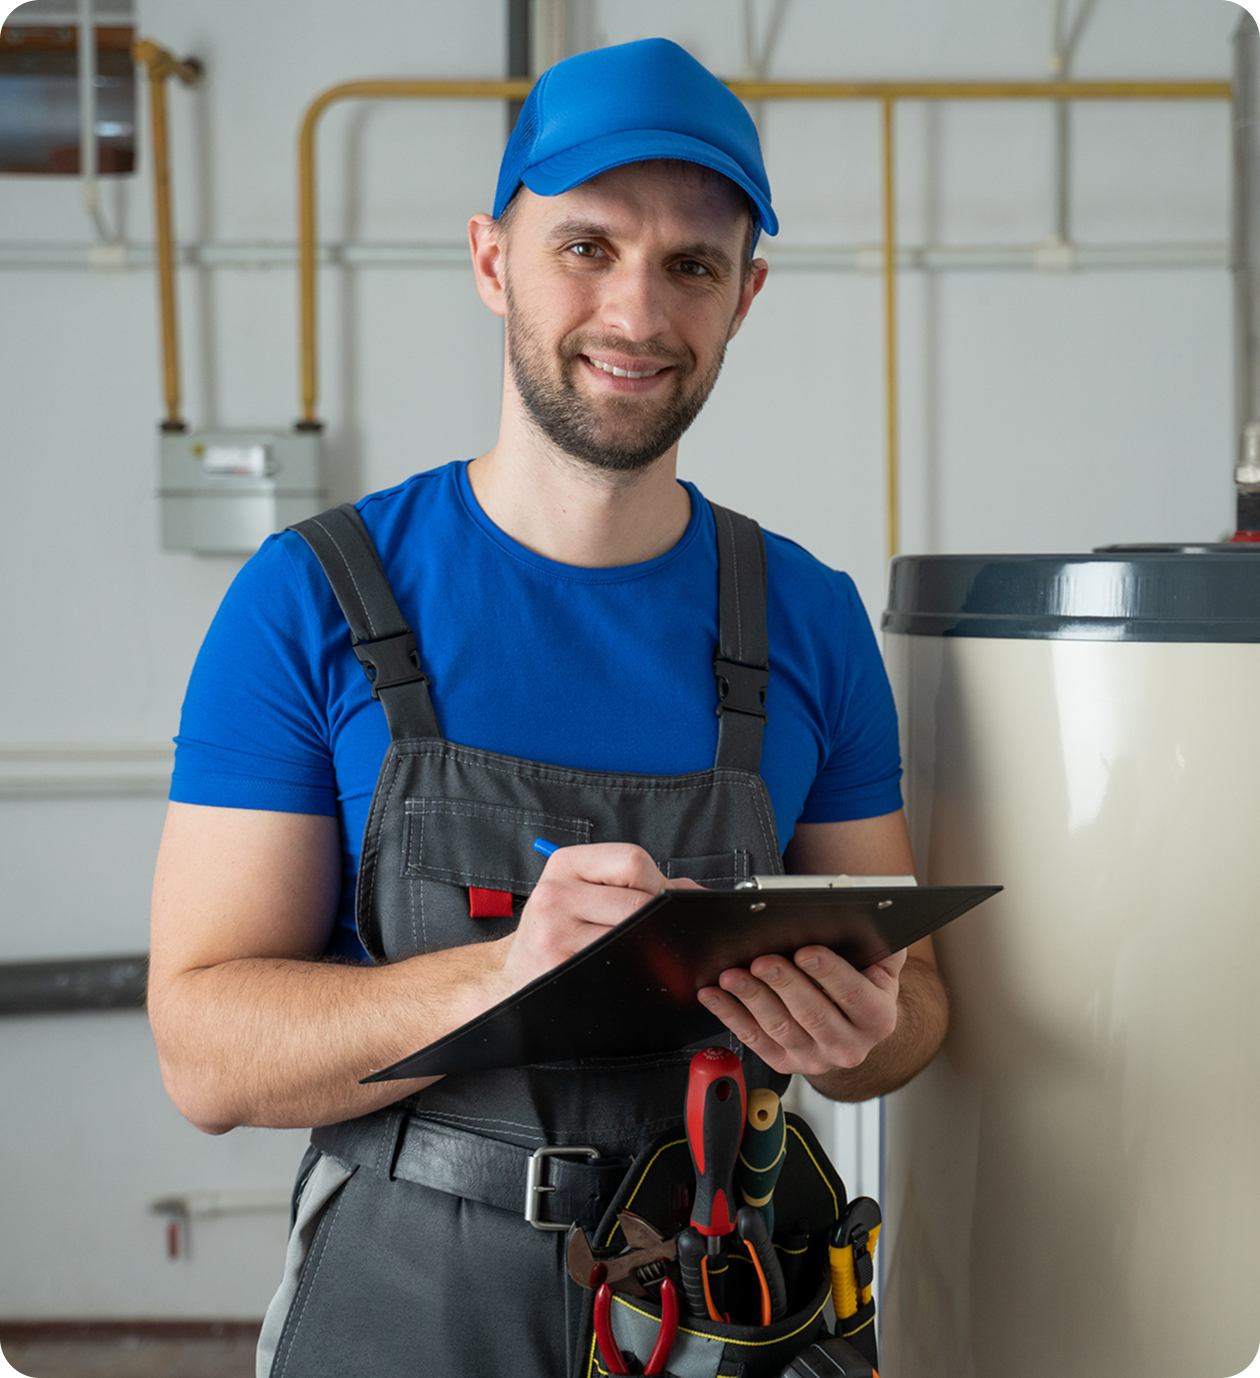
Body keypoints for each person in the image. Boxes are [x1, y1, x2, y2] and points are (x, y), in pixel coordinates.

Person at [147, 36, 947, 1378]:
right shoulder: (312, 601)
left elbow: (920, 1010)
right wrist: (509, 976)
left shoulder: (806, 617)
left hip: (722, 1294)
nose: (638, 310)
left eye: (692, 263)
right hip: (404, 1301)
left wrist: (868, 1035)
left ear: (743, 296)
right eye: (586, 245)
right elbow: (206, 1051)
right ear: (489, 258)